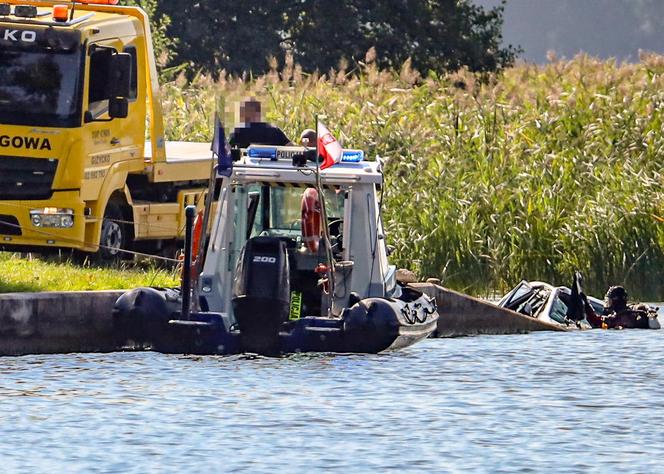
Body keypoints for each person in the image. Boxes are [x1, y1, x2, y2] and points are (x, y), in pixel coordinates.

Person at [583, 285, 650, 329]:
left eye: (609, 300)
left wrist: (587, 306)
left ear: (616, 300)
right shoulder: (630, 311)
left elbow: (596, 322)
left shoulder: (615, 318)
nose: (608, 303)